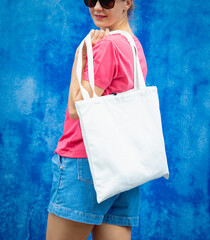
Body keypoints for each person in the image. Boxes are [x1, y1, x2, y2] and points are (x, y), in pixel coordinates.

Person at [46, 0, 147, 239]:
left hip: (85, 162)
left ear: (127, 3)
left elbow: (76, 109)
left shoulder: (107, 46)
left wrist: (79, 57)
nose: (98, 8)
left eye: (108, 0)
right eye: (91, 0)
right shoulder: (134, 46)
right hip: (124, 167)